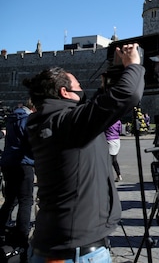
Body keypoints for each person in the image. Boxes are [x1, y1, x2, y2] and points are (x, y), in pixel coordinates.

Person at [23, 43, 144, 262]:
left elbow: (95, 109)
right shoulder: (66, 123)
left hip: (54, 245)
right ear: (65, 92)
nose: (82, 89)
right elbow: (128, 94)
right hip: (76, 253)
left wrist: (116, 73)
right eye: (78, 84)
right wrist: (134, 65)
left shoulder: (49, 121)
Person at [0, 101, 35, 262]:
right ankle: (22, 234)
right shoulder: (26, 119)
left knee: (10, 199)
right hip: (24, 163)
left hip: (8, 162)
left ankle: (2, 227)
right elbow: (29, 142)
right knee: (26, 200)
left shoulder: (12, 117)